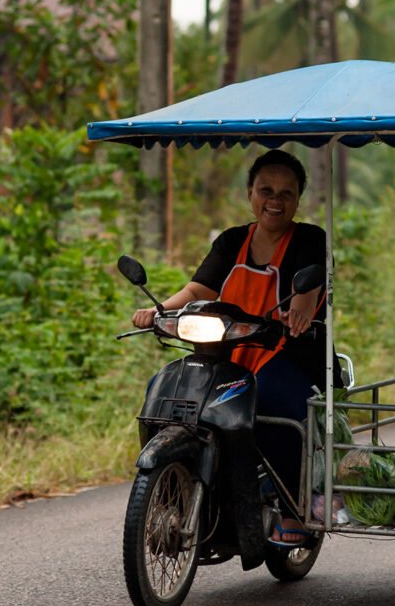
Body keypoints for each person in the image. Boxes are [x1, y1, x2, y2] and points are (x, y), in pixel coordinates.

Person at [131, 149, 334, 546]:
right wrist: (157, 310)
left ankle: (299, 509)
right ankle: (176, 484)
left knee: (272, 400)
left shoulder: (311, 239)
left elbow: (308, 291)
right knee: (165, 385)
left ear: (298, 199)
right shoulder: (232, 241)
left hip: (287, 352)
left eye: (286, 193)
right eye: (266, 190)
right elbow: (198, 289)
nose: (274, 201)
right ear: (250, 194)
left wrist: (300, 311)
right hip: (229, 350)